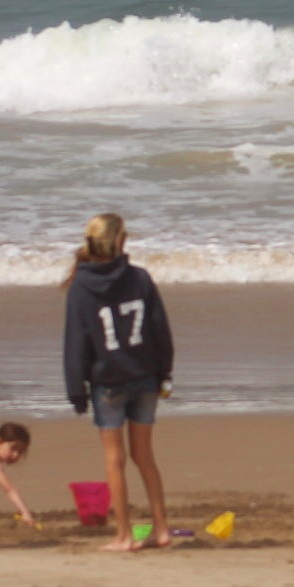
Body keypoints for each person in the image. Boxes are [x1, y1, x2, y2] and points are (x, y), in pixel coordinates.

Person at [62, 215, 174, 552]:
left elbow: (76, 343)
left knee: (115, 460)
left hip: (107, 382)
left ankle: (124, 535)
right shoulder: (140, 278)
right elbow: (160, 330)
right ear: (121, 241)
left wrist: (76, 391)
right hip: (145, 377)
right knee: (145, 456)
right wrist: (165, 373)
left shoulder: (81, 286)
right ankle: (162, 529)